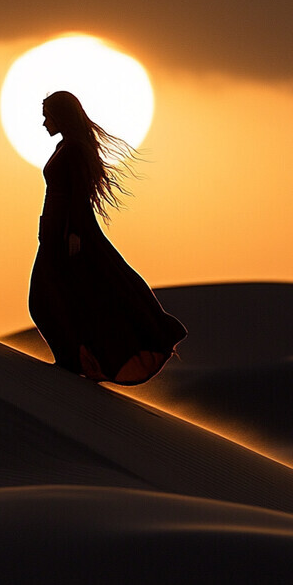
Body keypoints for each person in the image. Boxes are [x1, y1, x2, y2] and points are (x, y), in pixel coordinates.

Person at [28, 91, 186, 384]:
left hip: (66, 235)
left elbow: (78, 195)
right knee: (52, 299)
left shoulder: (74, 149)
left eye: (47, 116)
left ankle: (71, 362)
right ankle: (73, 360)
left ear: (61, 116)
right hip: (52, 233)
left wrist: (74, 232)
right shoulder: (66, 145)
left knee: (46, 299)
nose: (43, 123)